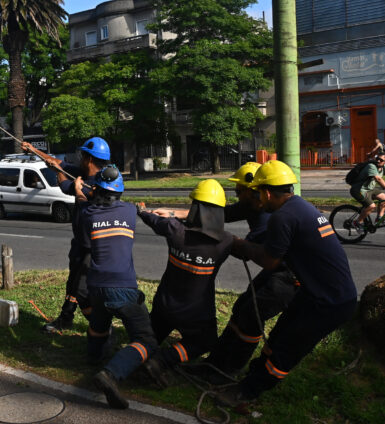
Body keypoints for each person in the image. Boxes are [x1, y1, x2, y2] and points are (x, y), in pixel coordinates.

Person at [215, 160, 357, 409]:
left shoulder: (283, 217)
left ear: (267, 192)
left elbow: (269, 261)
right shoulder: (301, 207)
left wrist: (238, 245)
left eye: (259, 192)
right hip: (313, 291)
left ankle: (248, 392)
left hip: (329, 302)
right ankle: (251, 377)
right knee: (278, 336)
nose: (258, 198)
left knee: (286, 349)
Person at [199, 163, 300, 383]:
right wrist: (178, 216)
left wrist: (227, 241)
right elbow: (220, 215)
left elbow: (249, 253)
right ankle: (215, 362)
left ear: (256, 192)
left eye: (238, 192)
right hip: (277, 270)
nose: (236, 196)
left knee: (251, 315)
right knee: (242, 307)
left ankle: (228, 370)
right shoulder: (251, 206)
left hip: (289, 277)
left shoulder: (270, 217)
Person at [74, 166, 158, 410]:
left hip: (97, 286)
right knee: (147, 340)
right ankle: (111, 374)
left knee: (99, 325)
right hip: (123, 287)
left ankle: (93, 357)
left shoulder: (87, 213)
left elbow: (84, 235)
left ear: (97, 190)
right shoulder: (130, 211)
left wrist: (81, 192)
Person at [138, 179, 234, 386]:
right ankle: (164, 360)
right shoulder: (226, 243)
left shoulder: (175, 231)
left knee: (149, 338)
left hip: (164, 304)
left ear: (195, 207)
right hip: (195, 313)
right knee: (204, 342)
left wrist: (143, 211)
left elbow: (153, 220)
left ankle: (134, 360)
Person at [22, 137, 111, 333]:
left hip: (92, 246)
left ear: (88, 158)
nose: (79, 158)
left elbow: (65, 186)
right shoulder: (84, 172)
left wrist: (56, 172)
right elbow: (59, 162)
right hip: (80, 242)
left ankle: (101, 327)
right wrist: (34, 150)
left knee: (81, 290)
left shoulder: (100, 185)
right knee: (73, 284)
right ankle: (66, 317)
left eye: (82, 155)